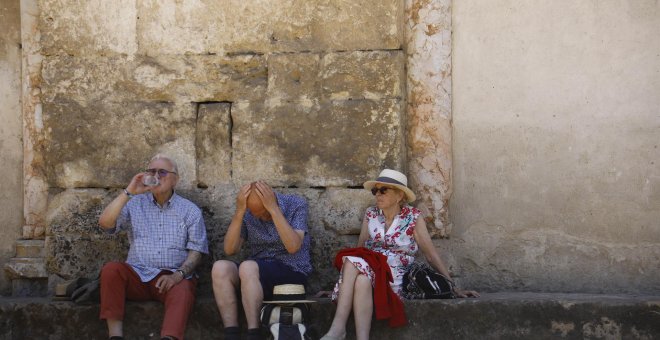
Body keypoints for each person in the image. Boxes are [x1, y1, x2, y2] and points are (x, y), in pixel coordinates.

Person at [321, 169, 479, 340]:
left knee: (353, 263)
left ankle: (337, 329)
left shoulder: (412, 217)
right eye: (376, 190)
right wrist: (345, 286)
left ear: (399, 196)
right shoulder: (371, 214)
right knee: (360, 279)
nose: (378, 195)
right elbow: (361, 250)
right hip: (371, 272)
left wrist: (453, 286)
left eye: (383, 190)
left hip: (394, 277)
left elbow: (430, 254)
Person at [98, 154, 209, 340]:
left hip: (170, 277)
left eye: (163, 172)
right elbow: (105, 224)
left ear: (175, 179)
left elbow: (197, 250)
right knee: (111, 270)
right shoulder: (134, 203)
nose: (156, 176)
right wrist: (129, 191)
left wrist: (177, 275)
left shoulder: (190, 210)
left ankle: (169, 337)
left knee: (184, 288)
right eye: (152, 171)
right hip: (137, 275)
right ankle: (115, 336)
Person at [211, 181, 312, 340]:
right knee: (220, 268)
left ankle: (254, 333)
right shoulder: (247, 212)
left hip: (291, 270)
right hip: (255, 275)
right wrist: (239, 212)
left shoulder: (296, 205)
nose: (262, 217)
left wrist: (273, 210)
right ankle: (231, 333)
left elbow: (293, 246)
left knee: (248, 267)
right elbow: (230, 250)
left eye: (264, 213)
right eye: (256, 214)